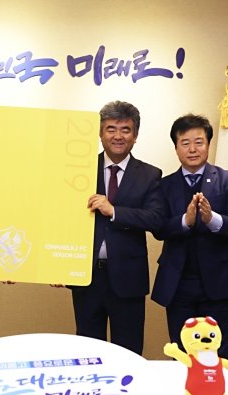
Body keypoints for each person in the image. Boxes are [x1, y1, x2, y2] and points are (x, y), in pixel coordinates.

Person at [70, 100, 165, 355]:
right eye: (111, 129)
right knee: (88, 352)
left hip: (128, 278)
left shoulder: (150, 174)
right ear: (100, 133)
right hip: (86, 277)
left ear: (135, 135)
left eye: (125, 129)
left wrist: (114, 211)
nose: (118, 136)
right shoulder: (80, 169)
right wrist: (58, 266)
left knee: (129, 352)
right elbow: (62, 216)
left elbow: (156, 219)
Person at [151, 113, 228, 360]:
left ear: (208, 144)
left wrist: (211, 218)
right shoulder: (164, 185)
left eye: (199, 142)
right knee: (182, 353)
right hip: (179, 283)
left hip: (219, 281)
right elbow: (159, 228)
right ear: (176, 148)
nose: (192, 149)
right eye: (185, 143)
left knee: (218, 353)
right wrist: (186, 220)